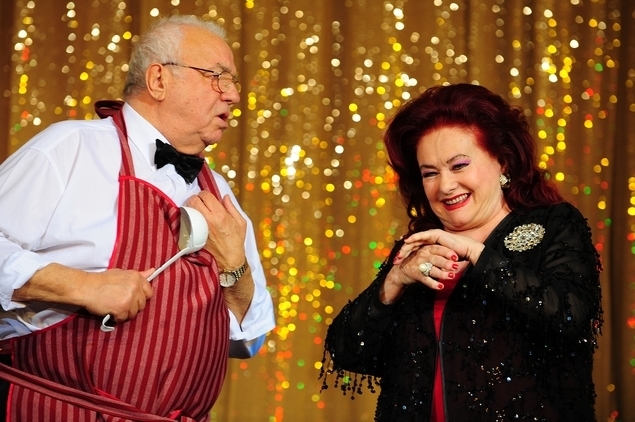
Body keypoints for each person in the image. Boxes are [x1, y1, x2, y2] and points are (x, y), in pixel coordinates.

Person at [0, 14, 274, 421]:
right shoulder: (71, 148)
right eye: (217, 77)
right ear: (159, 80)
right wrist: (82, 286)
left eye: (233, 82)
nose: (233, 95)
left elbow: (250, 339)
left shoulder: (220, 193)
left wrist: (236, 268)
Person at [321, 83, 603, 421]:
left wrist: (478, 253)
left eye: (459, 166)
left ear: (502, 161)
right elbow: (348, 351)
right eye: (430, 173)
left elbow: (571, 315)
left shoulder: (555, 223)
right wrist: (392, 282)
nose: (445, 186)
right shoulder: (419, 248)